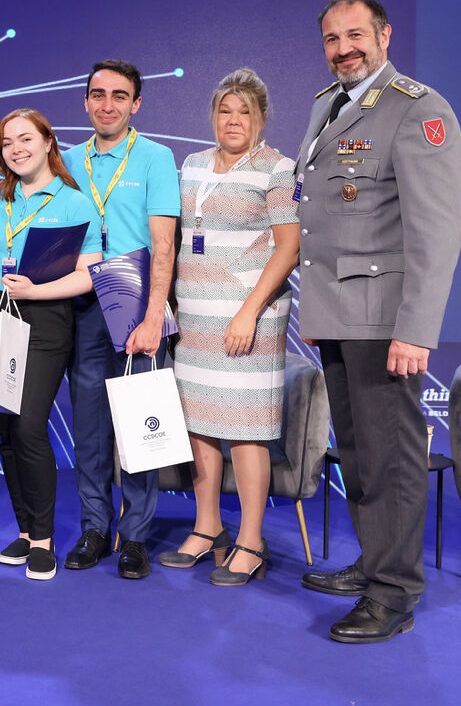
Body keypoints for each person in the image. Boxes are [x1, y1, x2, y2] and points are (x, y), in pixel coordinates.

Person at [296, 0, 461, 643]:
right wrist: (317, 309)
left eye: (356, 35)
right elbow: (323, 218)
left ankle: (393, 593)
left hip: (384, 322)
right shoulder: (328, 104)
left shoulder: (418, 109)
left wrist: (415, 329)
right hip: (339, 315)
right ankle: (374, 563)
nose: (344, 49)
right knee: (359, 454)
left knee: (391, 458)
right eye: (332, 39)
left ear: (385, 36)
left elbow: (434, 232)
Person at [160, 70, 299, 585]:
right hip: (195, 316)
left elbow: (289, 247)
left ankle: (251, 540)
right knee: (200, 421)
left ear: (261, 119)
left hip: (249, 317)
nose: (234, 121)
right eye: (225, 111)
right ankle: (208, 527)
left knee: (245, 428)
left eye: (245, 112)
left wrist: (248, 311)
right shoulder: (193, 165)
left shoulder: (278, 169)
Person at [0, 109, 102, 581]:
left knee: (29, 427)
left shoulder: (74, 202)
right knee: (6, 428)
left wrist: (36, 292)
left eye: (25, 139)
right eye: (7, 143)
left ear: (48, 142)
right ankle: (26, 531)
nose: (16, 149)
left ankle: (44, 539)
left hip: (44, 317)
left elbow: (90, 274)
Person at [62, 59, 180, 580]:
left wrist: (154, 317)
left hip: (138, 307)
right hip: (84, 307)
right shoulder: (67, 160)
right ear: (85, 101)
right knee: (89, 430)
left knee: (139, 426)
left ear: (136, 104)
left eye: (119, 95)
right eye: (97, 94)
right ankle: (94, 528)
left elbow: (163, 243)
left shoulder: (155, 158)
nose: (106, 104)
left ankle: (134, 537)